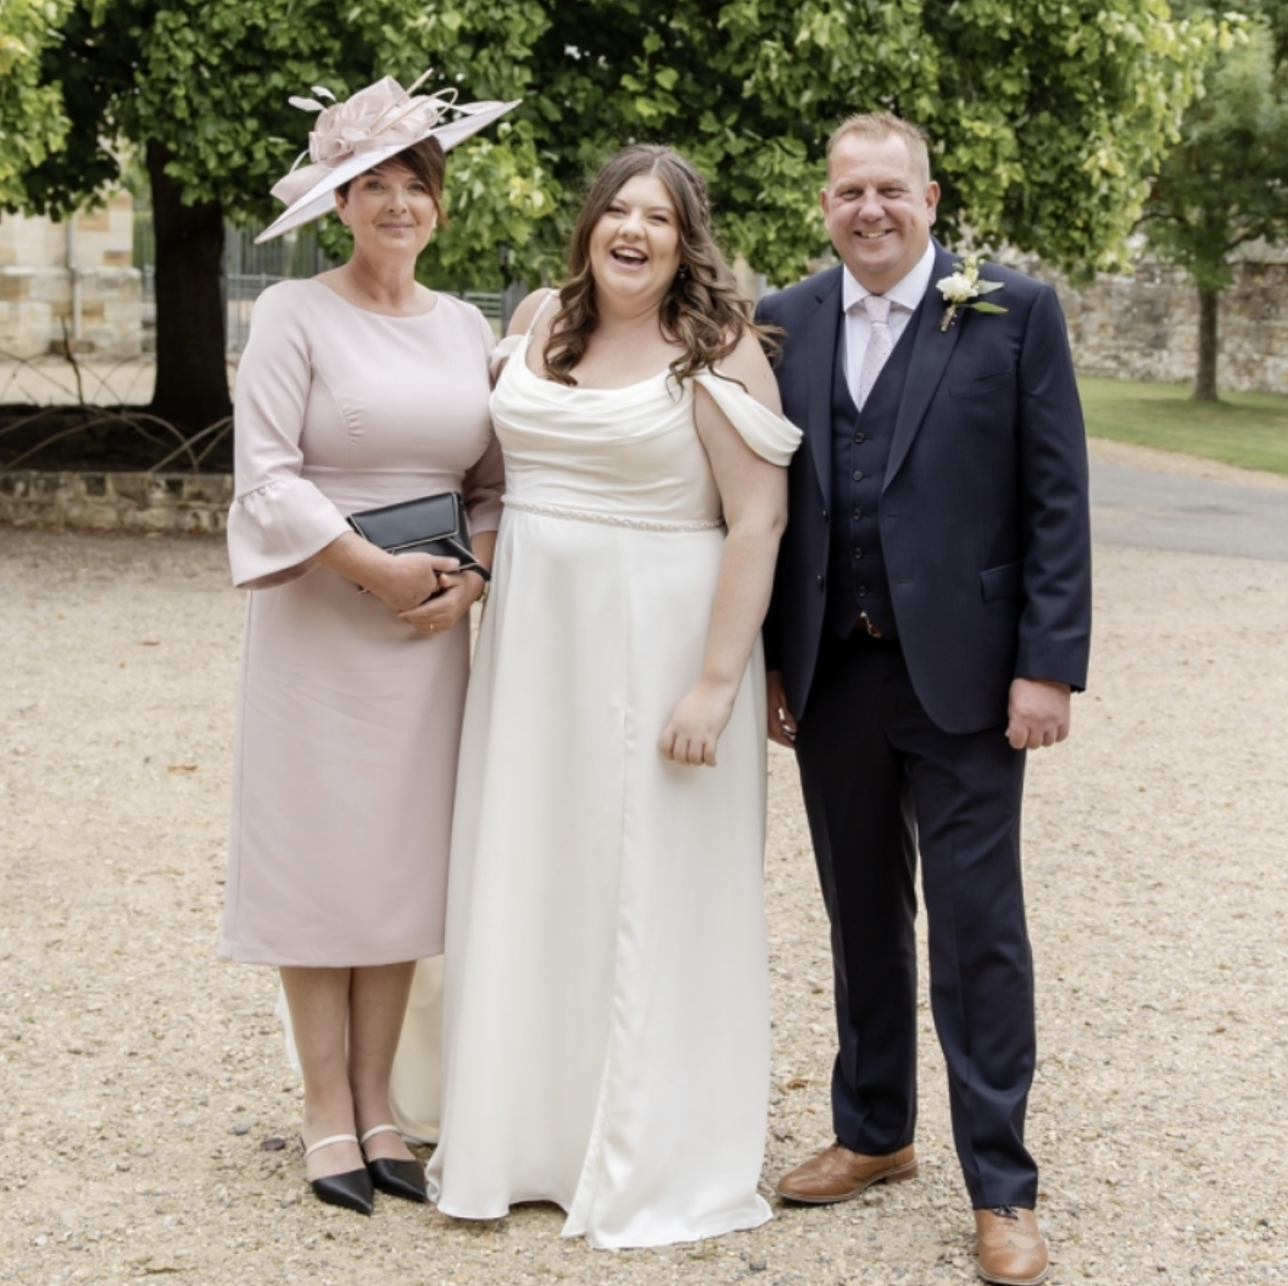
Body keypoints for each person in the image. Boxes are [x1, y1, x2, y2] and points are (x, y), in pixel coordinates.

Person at [420, 145, 801, 1247]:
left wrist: (717, 683)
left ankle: (646, 1143)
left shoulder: (715, 344)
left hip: (663, 645)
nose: (633, 230)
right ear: (589, 223)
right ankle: (524, 1132)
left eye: (660, 218)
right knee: (534, 867)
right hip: (534, 646)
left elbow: (758, 520)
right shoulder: (540, 318)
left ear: (687, 242)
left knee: (650, 887)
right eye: (617, 210)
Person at [756, 112, 1091, 1286]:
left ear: (931, 199)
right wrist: (769, 661)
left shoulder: (1012, 311)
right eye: (848, 191)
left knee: (977, 930)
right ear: (826, 206)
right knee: (858, 910)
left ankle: (1002, 1183)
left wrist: (1046, 662)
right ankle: (873, 1129)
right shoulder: (782, 318)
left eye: (890, 190)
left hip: (967, 675)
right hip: (831, 670)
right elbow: (765, 505)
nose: (870, 210)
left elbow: (1056, 498)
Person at [218, 72, 516, 1215]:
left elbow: (492, 482)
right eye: (372, 185)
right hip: (320, 623)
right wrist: (371, 567)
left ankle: (383, 1103)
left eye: (415, 184)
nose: (397, 203)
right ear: (337, 205)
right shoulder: (293, 313)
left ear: (439, 202)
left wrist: (471, 577)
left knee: (399, 859)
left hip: (427, 633)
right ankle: (323, 1105)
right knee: (319, 855)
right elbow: (267, 476)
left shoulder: (462, 325)